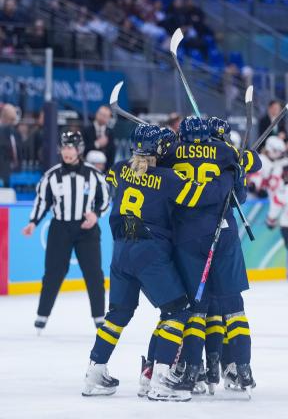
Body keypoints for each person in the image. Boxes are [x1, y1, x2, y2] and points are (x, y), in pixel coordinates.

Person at [82, 124, 235, 401]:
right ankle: (161, 379)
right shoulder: (169, 178)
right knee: (178, 310)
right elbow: (206, 196)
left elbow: (123, 179)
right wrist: (228, 174)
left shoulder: (118, 169)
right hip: (149, 252)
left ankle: (94, 372)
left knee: (118, 313)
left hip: (121, 250)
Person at [148, 116, 261, 397]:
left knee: (196, 308)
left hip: (187, 236)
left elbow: (154, 173)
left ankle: (192, 371)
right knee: (234, 306)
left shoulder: (172, 153)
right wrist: (241, 161)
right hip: (223, 232)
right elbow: (244, 187)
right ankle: (242, 369)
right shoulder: (225, 152)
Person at [21, 131, 109, 332]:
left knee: (94, 274)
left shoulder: (94, 175)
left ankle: (98, 317)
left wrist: (96, 215)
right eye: (64, 147)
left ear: (79, 150)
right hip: (60, 228)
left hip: (87, 229)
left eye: (71, 147)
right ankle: (42, 315)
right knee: (53, 273)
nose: (67, 152)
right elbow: (42, 202)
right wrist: (33, 222)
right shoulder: (51, 176)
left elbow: (104, 200)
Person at [248, 135, 288, 200]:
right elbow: (254, 178)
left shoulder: (280, 163)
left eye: (280, 152)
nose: (278, 154)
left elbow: (280, 181)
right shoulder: (260, 159)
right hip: (256, 199)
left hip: (273, 198)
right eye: (276, 151)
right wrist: (256, 187)